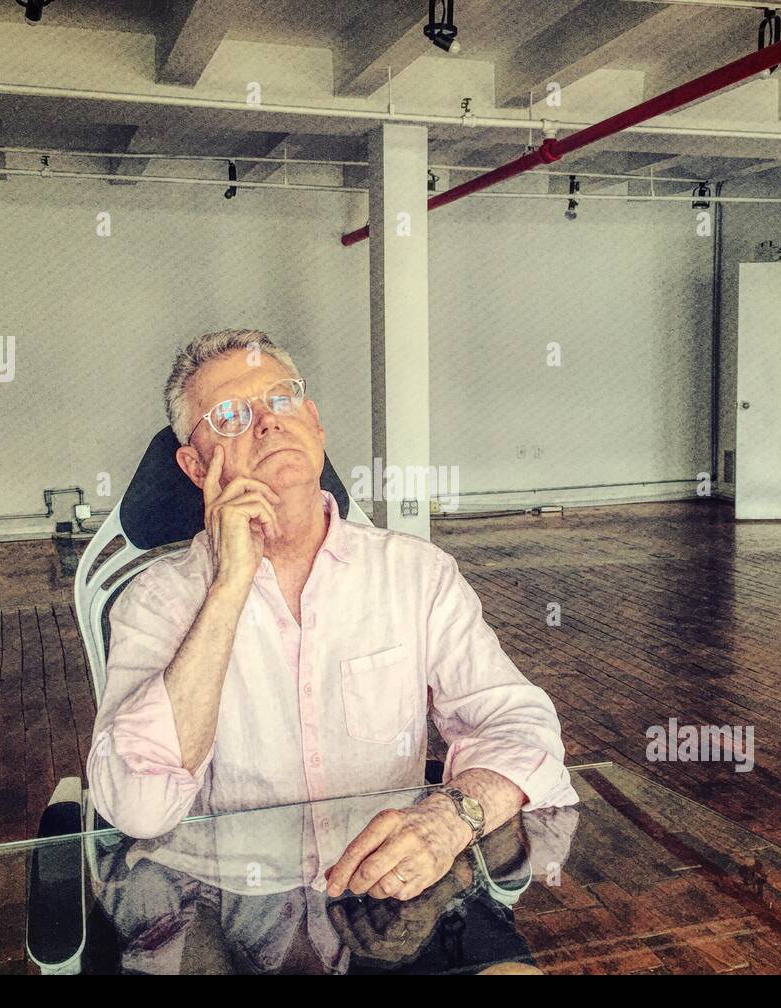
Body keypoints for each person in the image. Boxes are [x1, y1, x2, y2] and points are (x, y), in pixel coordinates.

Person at [88, 329, 578, 903]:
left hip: (389, 894)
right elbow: (137, 807)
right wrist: (228, 588)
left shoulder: (416, 575)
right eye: (229, 416)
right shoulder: (155, 600)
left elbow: (521, 730)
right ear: (196, 467)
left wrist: (449, 818)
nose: (268, 422)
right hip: (216, 904)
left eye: (282, 398)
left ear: (314, 421)